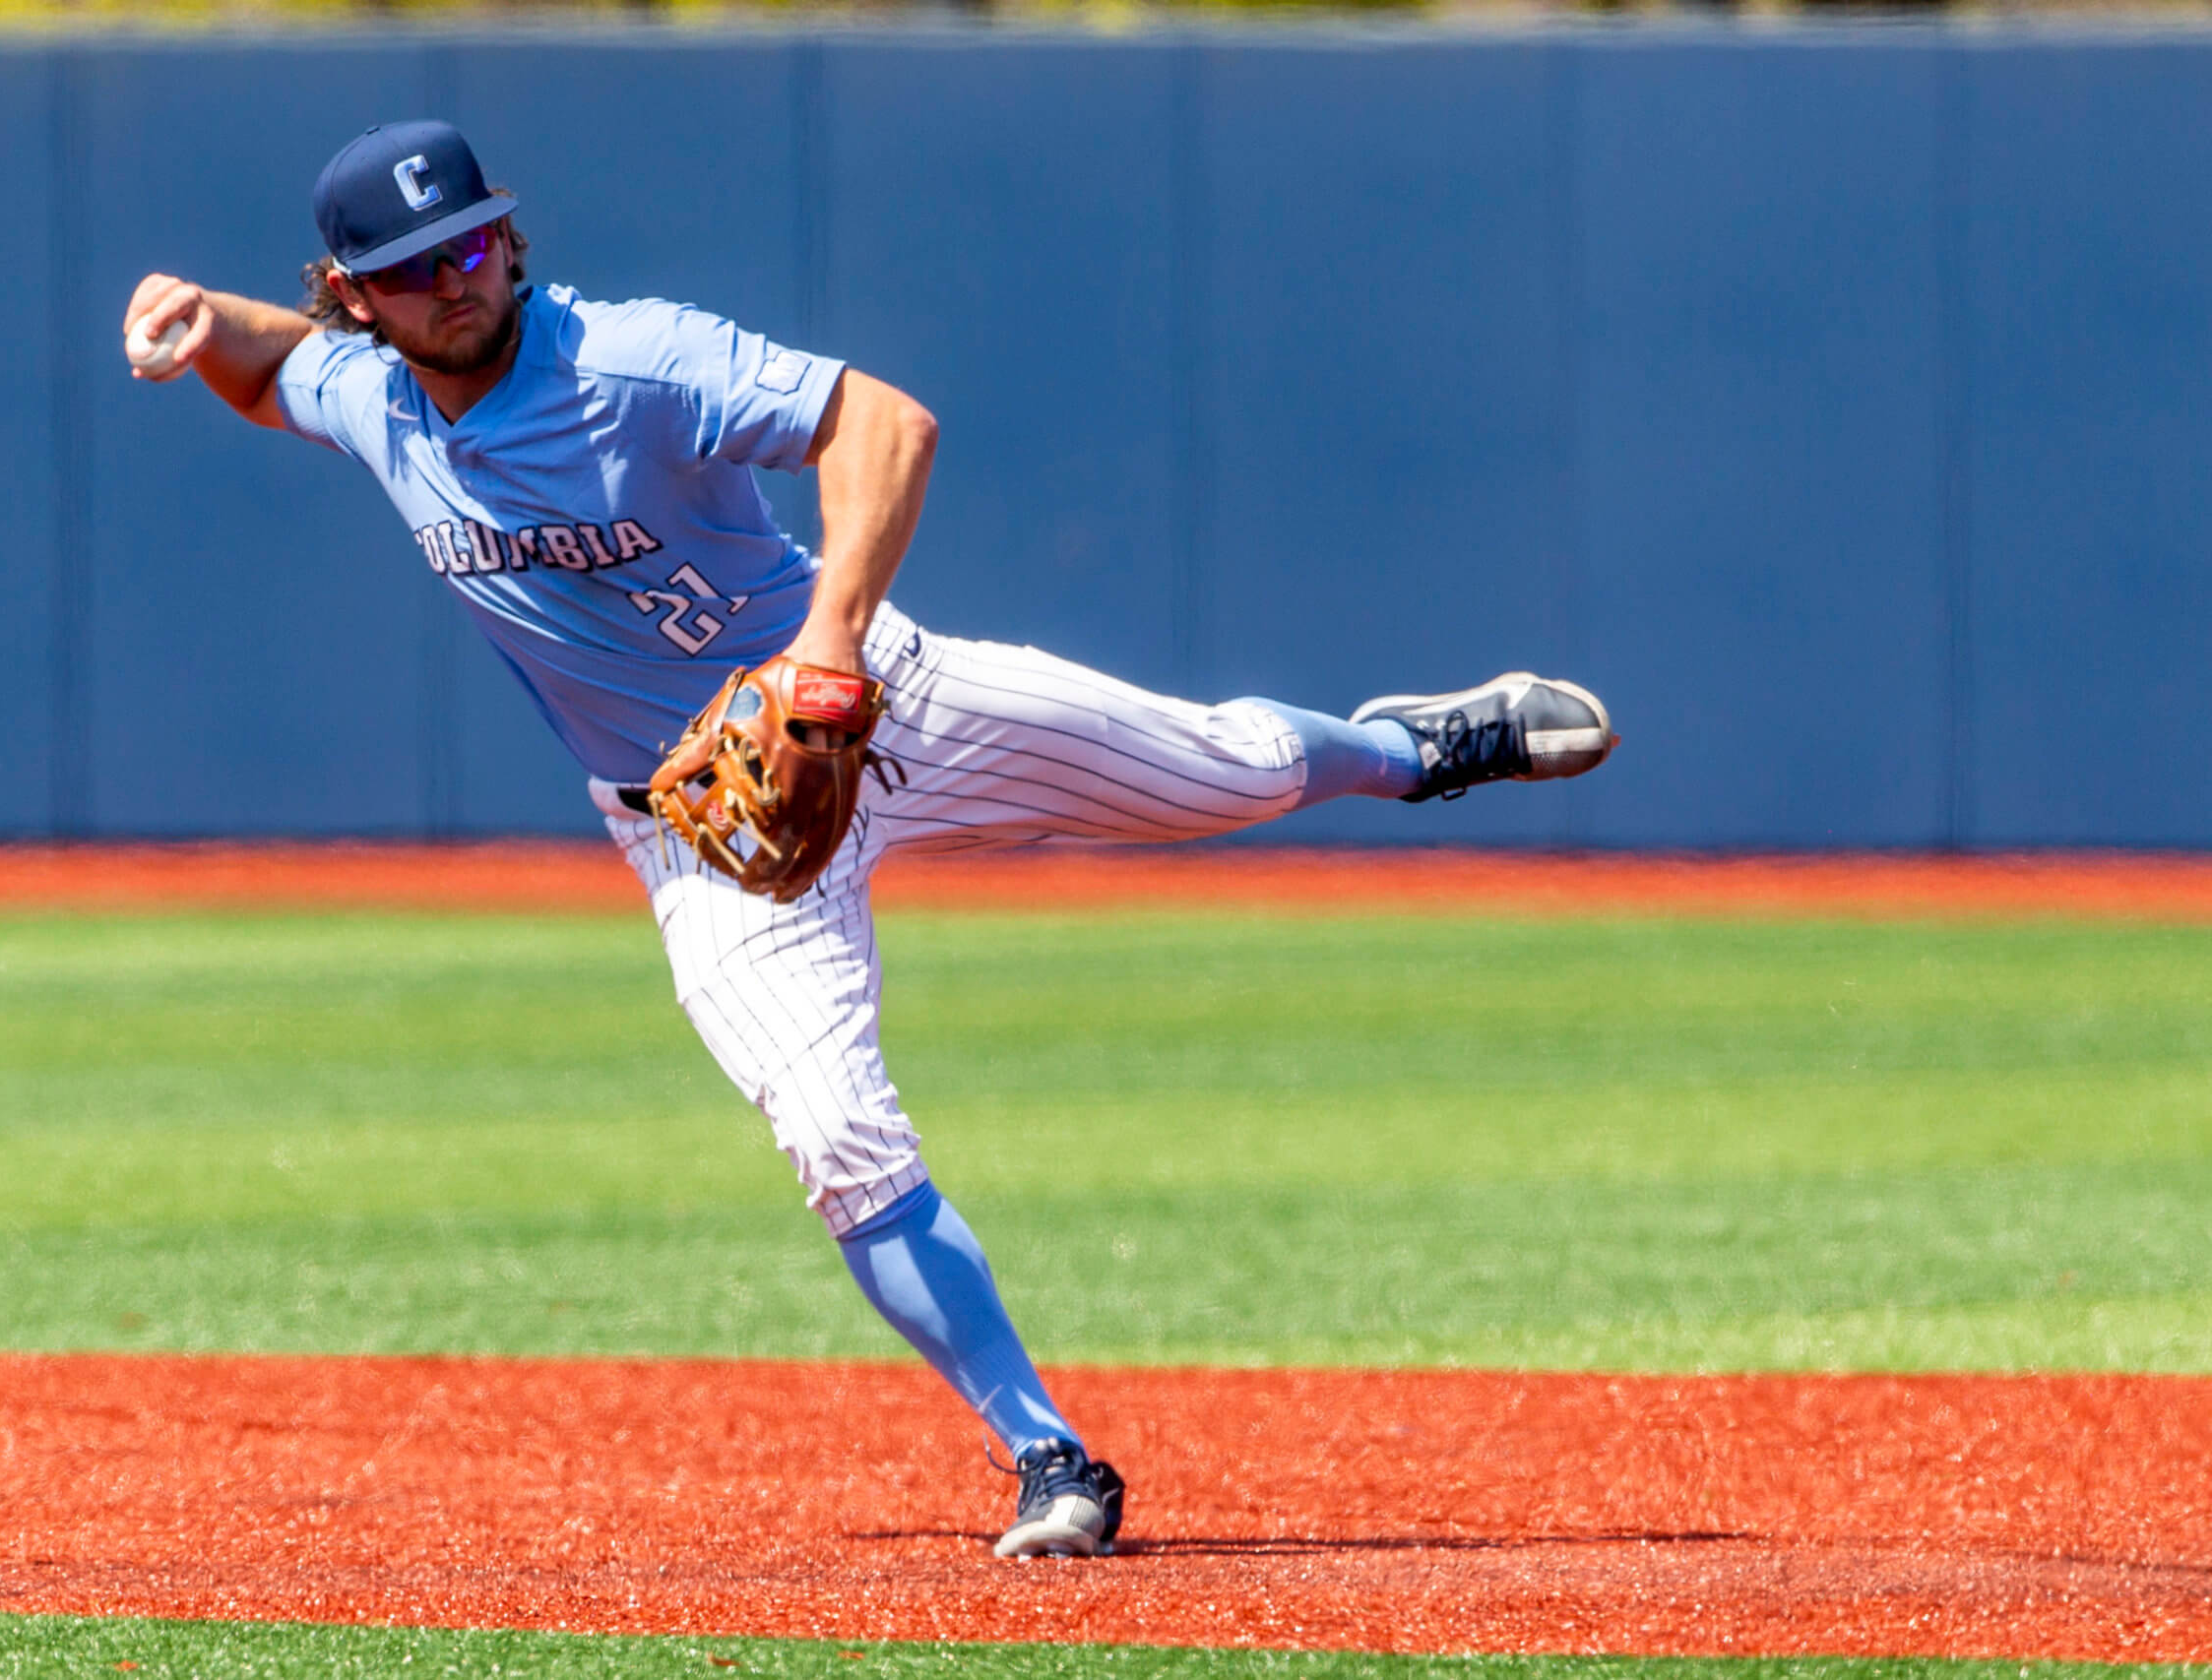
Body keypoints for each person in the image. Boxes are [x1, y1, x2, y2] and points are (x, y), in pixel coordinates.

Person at [122, 118, 1615, 1560]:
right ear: (355, 296)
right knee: (836, 1137)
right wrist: (199, 318)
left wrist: (829, 640)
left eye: (478, 241)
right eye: (417, 266)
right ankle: (1049, 1453)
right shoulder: (368, 392)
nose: (460, 278)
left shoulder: (630, 357)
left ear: (511, 238)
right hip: (698, 828)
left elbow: (883, 422)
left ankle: (1419, 748)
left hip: (876, 698)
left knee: (1226, 771)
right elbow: (269, 373)